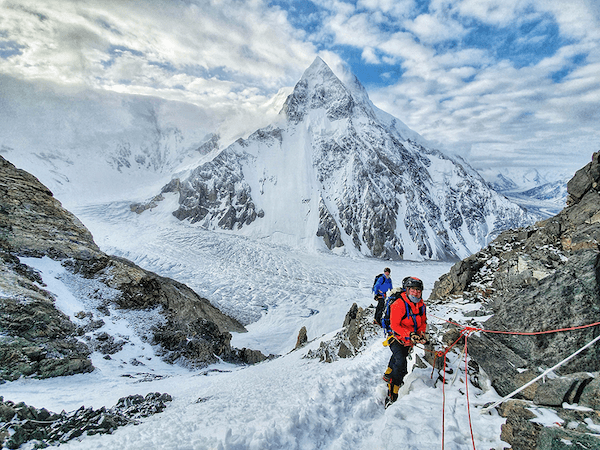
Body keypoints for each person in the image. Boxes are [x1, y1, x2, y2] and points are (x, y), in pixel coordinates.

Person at [382, 276, 427, 408]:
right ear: (407, 290)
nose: (416, 293)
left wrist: (421, 334)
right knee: (401, 363)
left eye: (418, 290)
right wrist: (410, 334)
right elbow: (395, 325)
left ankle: (387, 374)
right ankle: (392, 392)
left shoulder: (421, 305)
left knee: (397, 357)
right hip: (395, 337)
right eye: (413, 290)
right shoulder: (399, 304)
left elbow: (422, 322)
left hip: (408, 340)